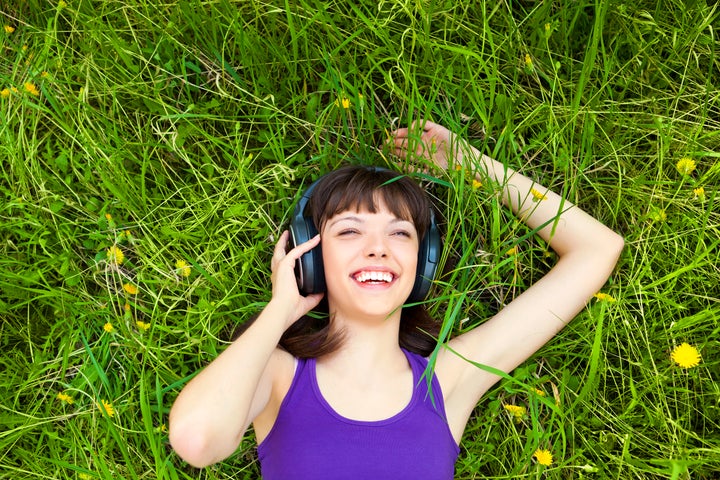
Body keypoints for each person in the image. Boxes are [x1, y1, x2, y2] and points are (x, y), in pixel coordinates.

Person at [168, 120, 624, 478]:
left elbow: (597, 249)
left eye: (400, 233)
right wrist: (281, 308)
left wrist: (472, 164)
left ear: (423, 264)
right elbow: (196, 439)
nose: (378, 248)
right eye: (349, 231)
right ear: (309, 255)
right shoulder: (278, 376)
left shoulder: (448, 381)